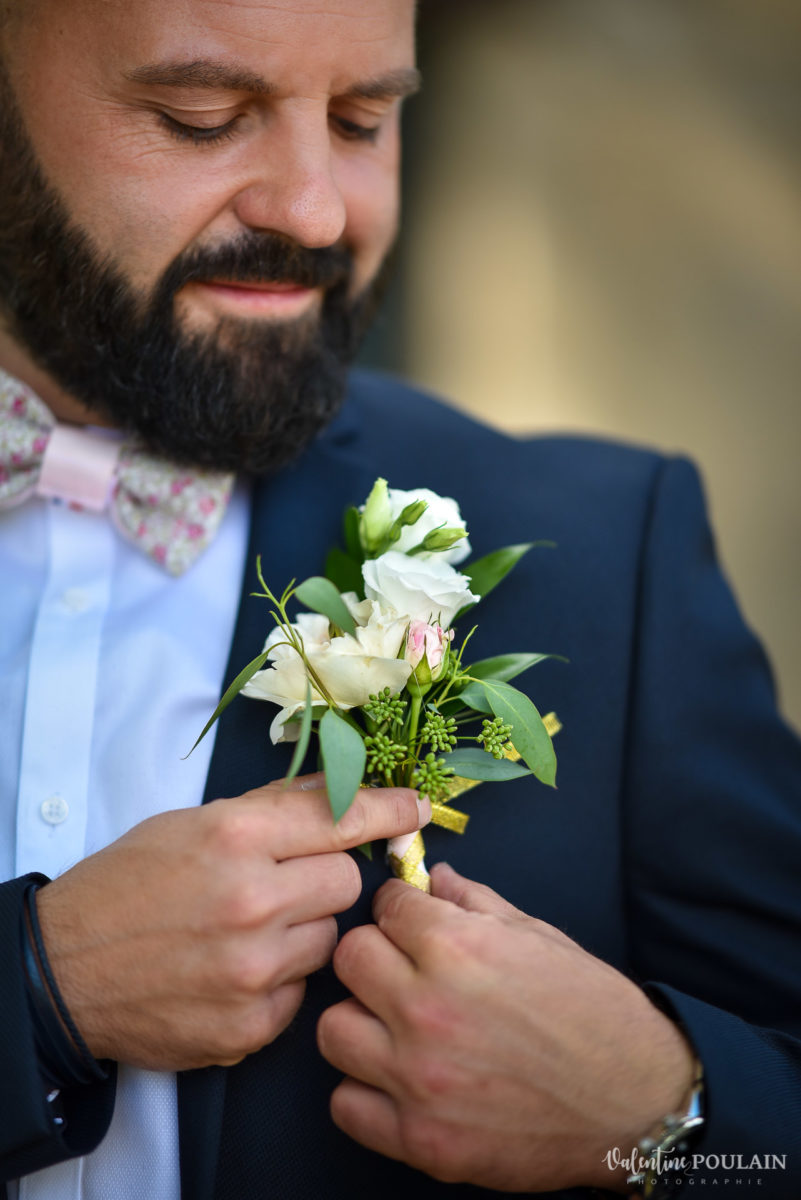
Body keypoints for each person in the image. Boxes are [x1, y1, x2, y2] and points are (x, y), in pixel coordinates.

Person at [0, 2, 799, 1198]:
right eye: (201, 118)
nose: (317, 212)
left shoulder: (606, 556)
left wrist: (659, 1116)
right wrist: (41, 990)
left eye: (363, 121)